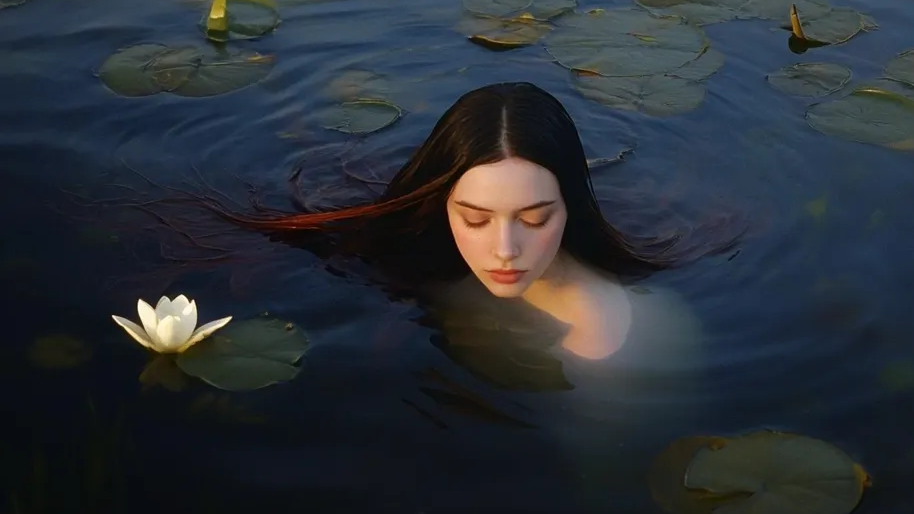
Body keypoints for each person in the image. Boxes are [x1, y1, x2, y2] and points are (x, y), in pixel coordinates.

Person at [212, 82, 685, 364]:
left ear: (570, 210)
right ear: (440, 204)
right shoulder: (422, 246)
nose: (505, 249)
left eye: (535, 219)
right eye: (476, 220)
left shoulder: (596, 334)